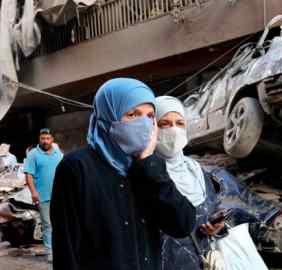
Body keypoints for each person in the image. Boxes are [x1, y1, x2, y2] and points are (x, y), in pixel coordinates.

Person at [50, 78, 196, 270]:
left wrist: (150, 166)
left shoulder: (148, 167)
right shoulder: (77, 168)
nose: (143, 123)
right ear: (108, 116)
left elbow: (183, 224)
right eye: (132, 115)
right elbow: (66, 251)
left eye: (150, 116)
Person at [154, 96, 268, 270]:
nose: (174, 130)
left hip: (203, 262)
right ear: (151, 128)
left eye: (179, 123)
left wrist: (217, 227)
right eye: (165, 124)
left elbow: (211, 214)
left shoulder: (199, 173)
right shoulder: (143, 175)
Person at [24, 129, 63, 262]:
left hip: (60, 195)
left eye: (47, 138)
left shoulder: (58, 152)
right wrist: (34, 192)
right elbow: (28, 175)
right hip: (43, 196)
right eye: (42, 139)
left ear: (52, 139)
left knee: (61, 223)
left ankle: (62, 250)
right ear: (39, 140)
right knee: (48, 225)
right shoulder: (33, 154)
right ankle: (50, 252)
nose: (45, 141)